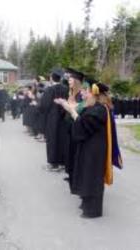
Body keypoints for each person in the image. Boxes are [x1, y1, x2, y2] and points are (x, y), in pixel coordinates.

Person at [55, 82, 123, 218]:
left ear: (95, 95)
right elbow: (82, 122)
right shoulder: (95, 107)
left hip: (94, 150)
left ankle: (93, 211)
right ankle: (87, 205)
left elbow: (83, 124)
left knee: (92, 177)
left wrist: (71, 111)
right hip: (89, 147)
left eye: (87, 92)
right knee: (87, 175)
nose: (84, 94)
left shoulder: (99, 110)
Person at [40, 69, 69, 171]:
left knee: (52, 140)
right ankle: (62, 163)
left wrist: (42, 111)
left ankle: (53, 163)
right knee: (62, 140)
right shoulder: (66, 89)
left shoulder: (49, 90)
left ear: (52, 78)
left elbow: (44, 105)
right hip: (63, 118)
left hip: (52, 118)